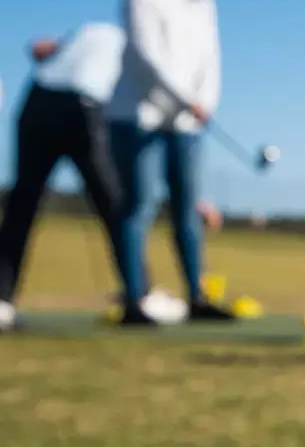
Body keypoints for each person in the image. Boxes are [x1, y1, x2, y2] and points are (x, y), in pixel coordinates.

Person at [0, 23, 189, 330]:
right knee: (114, 204)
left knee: (21, 204)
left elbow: (43, 49)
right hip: (83, 107)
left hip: (36, 102)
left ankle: (1, 300)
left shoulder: (90, 31)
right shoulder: (138, 47)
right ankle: (140, 295)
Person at [106, 0, 233, 327]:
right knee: (139, 206)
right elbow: (148, 54)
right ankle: (134, 298)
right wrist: (184, 97)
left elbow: (210, 56)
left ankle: (196, 294)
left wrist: (205, 100)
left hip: (187, 122)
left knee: (185, 209)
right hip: (138, 117)